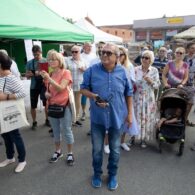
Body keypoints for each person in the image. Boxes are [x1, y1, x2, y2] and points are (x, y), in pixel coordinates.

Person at [80, 43, 133, 190]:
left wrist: (130, 114)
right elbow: (83, 89)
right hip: (98, 118)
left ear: (117, 57)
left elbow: (129, 94)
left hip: (117, 117)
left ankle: (112, 175)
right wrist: (94, 96)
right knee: (97, 149)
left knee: (115, 150)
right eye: (102, 52)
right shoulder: (92, 71)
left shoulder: (123, 72)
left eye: (109, 53)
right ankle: (97, 174)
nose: (104, 55)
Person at [40, 50, 75, 166]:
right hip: (52, 106)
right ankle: (58, 151)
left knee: (67, 130)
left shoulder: (66, 72)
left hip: (64, 106)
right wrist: (46, 94)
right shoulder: (50, 74)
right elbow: (48, 90)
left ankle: (70, 153)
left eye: (54, 59)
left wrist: (48, 79)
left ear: (60, 61)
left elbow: (61, 88)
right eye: (50, 59)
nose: (51, 61)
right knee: (55, 131)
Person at [0, 51, 26, 173]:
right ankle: (10, 157)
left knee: (15, 136)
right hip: (2, 113)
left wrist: (6, 97)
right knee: (5, 136)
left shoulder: (10, 78)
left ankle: (22, 160)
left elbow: (23, 93)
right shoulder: (1, 77)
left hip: (10, 112)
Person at [134, 50, 160, 148]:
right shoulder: (136, 69)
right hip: (137, 96)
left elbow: (157, 86)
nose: (144, 59)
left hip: (148, 97)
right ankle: (133, 137)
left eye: (147, 58)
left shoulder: (154, 70)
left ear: (151, 60)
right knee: (136, 117)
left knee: (146, 118)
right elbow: (131, 83)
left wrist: (150, 81)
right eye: (143, 57)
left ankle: (143, 139)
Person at [162, 47, 193, 125]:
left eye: (180, 53)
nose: (178, 54)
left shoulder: (185, 65)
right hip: (170, 87)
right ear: (174, 53)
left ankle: (179, 118)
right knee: (165, 102)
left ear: (183, 55)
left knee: (181, 103)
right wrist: (165, 83)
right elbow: (164, 75)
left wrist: (182, 84)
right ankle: (166, 117)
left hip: (180, 88)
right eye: (177, 52)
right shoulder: (169, 63)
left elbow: (186, 77)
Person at [118, 47, 139, 151]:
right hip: (114, 96)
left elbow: (132, 81)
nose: (119, 56)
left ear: (125, 56)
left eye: (122, 54)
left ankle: (122, 141)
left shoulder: (129, 66)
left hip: (125, 96)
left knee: (126, 119)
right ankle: (107, 143)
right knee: (111, 120)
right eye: (118, 54)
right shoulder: (111, 65)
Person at [25, 45, 49, 130]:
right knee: (33, 106)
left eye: (38, 54)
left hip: (44, 85)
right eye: (34, 55)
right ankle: (34, 122)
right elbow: (27, 76)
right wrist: (31, 74)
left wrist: (43, 74)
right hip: (34, 86)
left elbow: (51, 74)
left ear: (41, 52)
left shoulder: (46, 61)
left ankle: (47, 119)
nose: (36, 56)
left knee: (46, 104)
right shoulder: (29, 63)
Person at [66, 45, 87, 126]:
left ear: (79, 52)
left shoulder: (83, 61)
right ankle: (70, 118)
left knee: (77, 102)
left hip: (79, 84)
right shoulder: (68, 60)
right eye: (73, 52)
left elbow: (88, 71)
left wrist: (84, 70)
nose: (74, 53)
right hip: (70, 85)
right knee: (70, 102)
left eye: (76, 51)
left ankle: (76, 118)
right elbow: (64, 70)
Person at [81, 42, 96, 121]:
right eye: (88, 46)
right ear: (84, 47)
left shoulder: (94, 55)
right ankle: (83, 112)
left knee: (92, 96)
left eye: (90, 46)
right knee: (84, 97)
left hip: (93, 79)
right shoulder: (81, 56)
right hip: (83, 78)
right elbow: (79, 65)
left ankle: (92, 112)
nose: (90, 48)